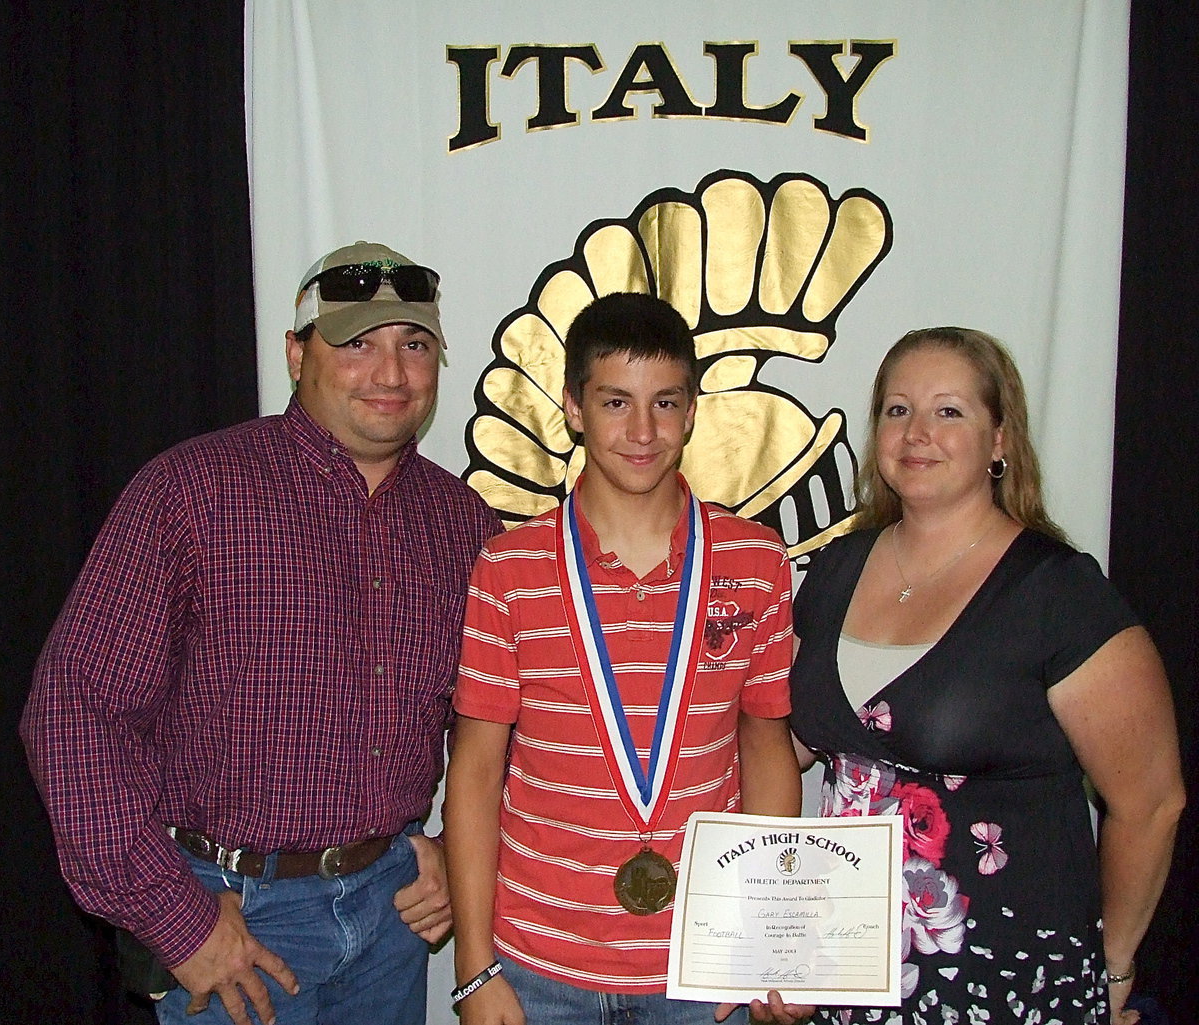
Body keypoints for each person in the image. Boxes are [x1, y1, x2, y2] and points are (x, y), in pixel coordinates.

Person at [21, 241, 502, 1025]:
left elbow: (507, 724)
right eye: (356, 343)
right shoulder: (191, 493)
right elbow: (75, 714)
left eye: (413, 345)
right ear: (295, 352)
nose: (390, 373)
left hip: (391, 920)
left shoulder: (464, 527)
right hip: (235, 923)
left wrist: (455, 847)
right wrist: (174, 919)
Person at [786, 327, 1184, 1024]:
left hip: (1006, 982)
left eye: (949, 411)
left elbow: (1151, 802)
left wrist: (1112, 968)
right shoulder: (835, 570)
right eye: (897, 409)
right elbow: (790, 742)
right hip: (845, 974)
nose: (917, 433)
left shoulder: (1057, 593)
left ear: (1000, 439)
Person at [443, 292, 805, 1025]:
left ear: (693, 408)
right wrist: (474, 967)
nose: (643, 431)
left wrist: (767, 939)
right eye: (615, 401)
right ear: (574, 407)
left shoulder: (756, 559)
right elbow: (476, 770)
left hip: (703, 966)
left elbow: (765, 743)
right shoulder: (508, 568)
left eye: (665, 402)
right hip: (539, 964)